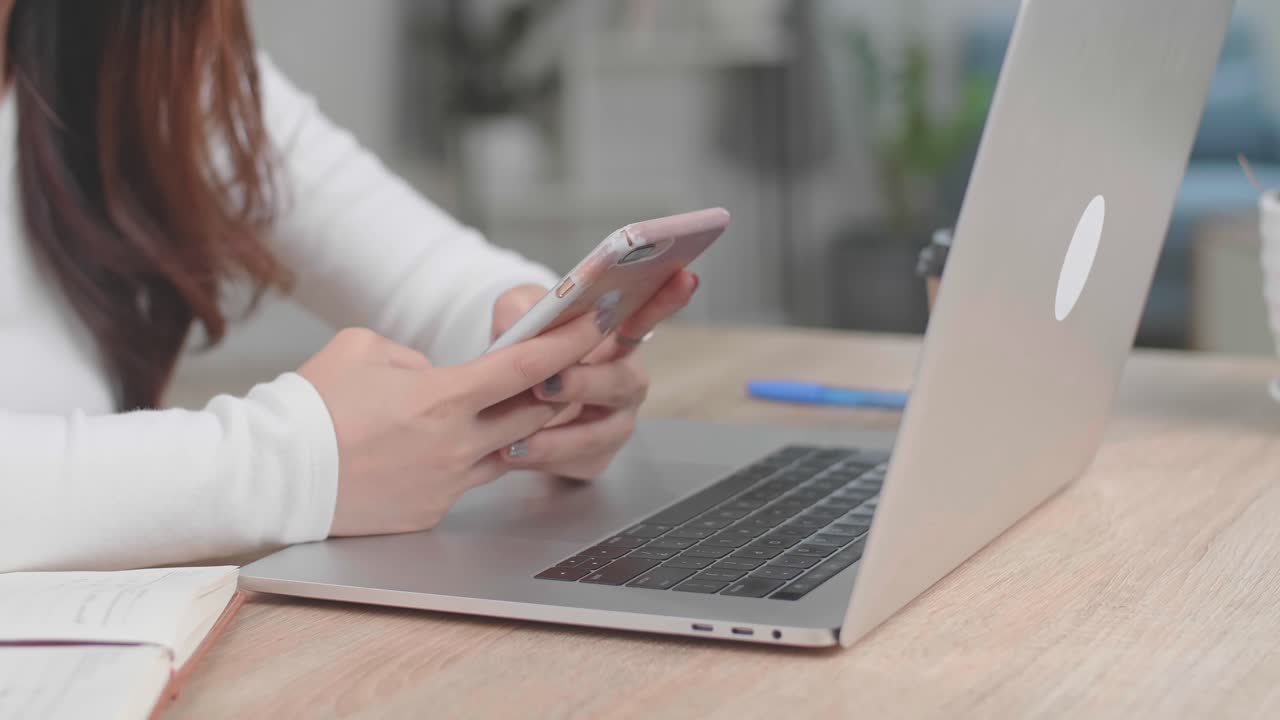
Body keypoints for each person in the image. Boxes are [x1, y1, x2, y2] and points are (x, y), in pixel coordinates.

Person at [0, 1, 697, 573]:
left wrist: (541, 357)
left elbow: (428, 274)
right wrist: (289, 463)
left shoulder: (133, 48)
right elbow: (290, 460)